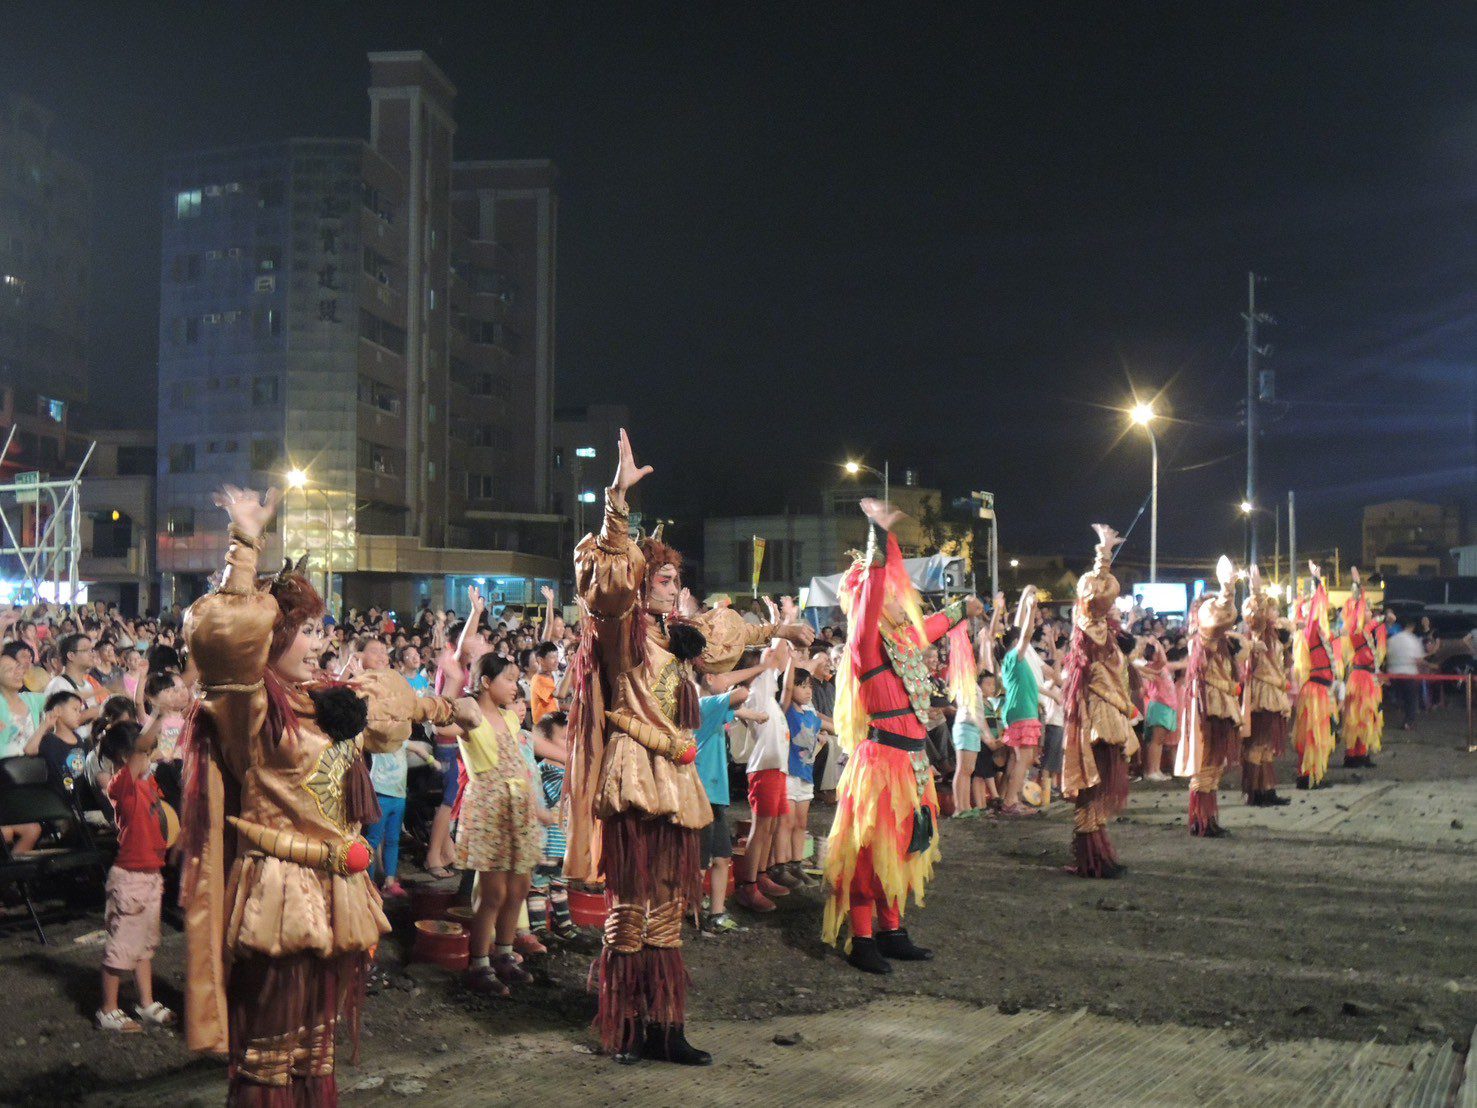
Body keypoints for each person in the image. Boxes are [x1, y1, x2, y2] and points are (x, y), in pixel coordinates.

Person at [177, 485, 468, 1105]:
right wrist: (245, 543)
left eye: (320, 629)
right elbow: (223, 638)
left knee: (316, 1045)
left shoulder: (330, 700)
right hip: (278, 888)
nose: (319, 642)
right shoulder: (247, 705)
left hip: (335, 887)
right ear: (269, 639)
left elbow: (401, 706)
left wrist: (452, 708)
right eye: (304, 631)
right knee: (271, 1051)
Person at [562, 429, 812, 1065]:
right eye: (663, 577)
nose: (672, 586)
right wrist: (617, 497)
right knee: (632, 904)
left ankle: (664, 1027)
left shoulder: (677, 637)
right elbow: (608, 582)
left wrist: (780, 627)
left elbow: (727, 633)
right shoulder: (621, 632)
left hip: (674, 773)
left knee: (670, 900)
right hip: (635, 772)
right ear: (642, 579)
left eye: (677, 578)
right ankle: (624, 1025)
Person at [822, 497, 982, 974]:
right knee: (873, 853)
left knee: (906, 845)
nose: (898, 595)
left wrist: (960, 609)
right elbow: (871, 601)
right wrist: (877, 538)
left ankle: (892, 931)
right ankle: (862, 938)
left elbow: (930, 626)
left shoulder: (905, 641)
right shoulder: (864, 642)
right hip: (881, 761)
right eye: (891, 589)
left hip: (912, 762)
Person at [451, 653, 547, 994]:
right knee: (493, 892)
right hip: (489, 807)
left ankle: (504, 956)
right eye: (508, 679)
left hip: (517, 805)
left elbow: (521, 764)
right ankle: (479, 964)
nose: (515, 686)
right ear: (486, 682)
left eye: (517, 679)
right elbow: (441, 726)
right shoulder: (469, 714)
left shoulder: (510, 719)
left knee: (519, 888)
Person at [1058, 525, 1137, 877]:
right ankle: (1091, 859)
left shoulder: (1105, 635)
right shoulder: (1087, 632)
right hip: (1094, 720)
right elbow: (1095, 599)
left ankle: (1098, 856)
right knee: (1091, 788)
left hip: (1109, 717)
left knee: (1100, 789)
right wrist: (1102, 555)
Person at [96, 721, 174, 1033]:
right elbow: (141, 750)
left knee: (143, 946)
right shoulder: (120, 786)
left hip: (150, 875)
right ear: (126, 756)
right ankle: (108, 1009)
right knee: (121, 947)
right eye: (144, 752)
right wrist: (158, 713)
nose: (150, 756)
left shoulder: (145, 783)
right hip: (130, 879)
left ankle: (146, 1002)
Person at [694, 661, 769, 934]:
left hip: (715, 796)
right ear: (710, 679)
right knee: (700, 862)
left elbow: (737, 707)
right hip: (702, 794)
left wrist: (751, 714)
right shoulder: (704, 705)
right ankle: (694, 915)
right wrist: (763, 667)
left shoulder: (712, 708)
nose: (727, 681)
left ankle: (716, 914)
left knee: (722, 857)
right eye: (722, 676)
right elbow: (740, 695)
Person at [1174, 557, 1242, 837]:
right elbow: (1217, 619)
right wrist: (1228, 590)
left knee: (1216, 766)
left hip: (1220, 706)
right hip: (1206, 707)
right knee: (1204, 766)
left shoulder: (1222, 644)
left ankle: (1208, 820)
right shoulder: (1203, 639)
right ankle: (1200, 821)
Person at [738, 638, 797, 905]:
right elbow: (770, 659)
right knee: (760, 828)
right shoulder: (757, 694)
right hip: (764, 769)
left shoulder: (770, 700)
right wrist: (780, 628)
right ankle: (748, 886)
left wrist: (792, 658)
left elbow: (785, 684)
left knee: (770, 827)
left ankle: (761, 874)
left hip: (777, 769)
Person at [1240, 565, 1292, 807]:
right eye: (1271, 608)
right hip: (1263, 693)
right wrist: (1256, 589)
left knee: (1268, 747)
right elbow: (1255, 615)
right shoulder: (1259, 632)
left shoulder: (1274, 634)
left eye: (1274, 608)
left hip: (1274, 691)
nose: (1274, 612)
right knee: (1258, 744)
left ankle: (1267, 790)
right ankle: (1255, 792)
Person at [1292, 563, 1338, 788]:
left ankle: (1311, 775)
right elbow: (1316, 609)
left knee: (1315, 735)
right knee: (1313, 736)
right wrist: (1317, 582)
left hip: (1318, 689)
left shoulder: (1315, 634)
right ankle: (1309, 777)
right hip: (1315, 690)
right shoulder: (1310, 632)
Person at [781, 665, 827, 888]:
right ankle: (782, 866)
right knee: (787, 822)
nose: (807, 691)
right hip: (789, 774)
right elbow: (787, 687)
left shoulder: (811, 715)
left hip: (805, 776)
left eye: (809, 686)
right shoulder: (787, 710)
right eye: (802, 686)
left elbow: (829, 728)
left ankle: (796, 865)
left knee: (800, 823)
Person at [997, 588, 1043, 816]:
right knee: (1023, 760)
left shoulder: (1010, 660)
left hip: (1018, 711)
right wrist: (1032, 608)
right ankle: (1010, 803)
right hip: (1022, 712)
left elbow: (1021, 631)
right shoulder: (1015, 656)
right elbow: (1025, 634)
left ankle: (1010, 800)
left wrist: (1027, 602)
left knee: (1019, 761)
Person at [1340, 568, 1385, 767]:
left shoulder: (1370, 631)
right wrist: (1357, 587)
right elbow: (1357, 610)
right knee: (1356, 716)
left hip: (1370, 678)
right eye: (1366, 608)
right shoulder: (1357, 631)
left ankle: (1363, 752)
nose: (1369, 611)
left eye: (1369, 609)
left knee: (1368, 717)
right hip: (1359, 679)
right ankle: (1352, 754)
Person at [1385, 619, 1428, 731]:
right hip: (1409, 674)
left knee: (1401, 698)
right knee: (1411, 700)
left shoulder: (1392, 640)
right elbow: (1418, 659)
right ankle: (1409, 722)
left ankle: (1401, 717)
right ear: (1411, 627)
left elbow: (1387, 655)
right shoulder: (1413, 640)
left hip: (1394, 674)